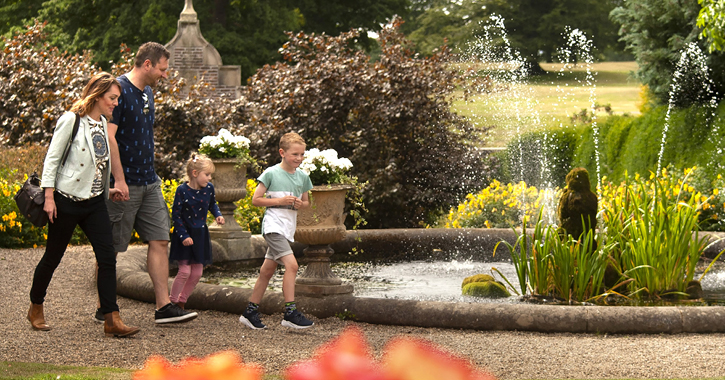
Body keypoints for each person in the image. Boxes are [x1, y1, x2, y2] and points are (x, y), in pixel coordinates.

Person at [30, 72, 140, 338]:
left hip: (95, 204)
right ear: (98, 95)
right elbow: (52, 160)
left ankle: (111, 319)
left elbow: (99, 166)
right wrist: (48, 197)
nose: (115, 103)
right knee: (52, 258)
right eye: (112, 98)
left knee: (107, 258)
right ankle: (36, 306)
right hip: (65, 202)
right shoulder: (71, 120)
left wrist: (108, 189)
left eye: (117, 99)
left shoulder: (103, 124)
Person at [104, 42, 197, 324]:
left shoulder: (148, 93)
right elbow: (110, 137)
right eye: (162, 69)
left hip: (150, 181)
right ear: (147, 64)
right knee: (109, 247)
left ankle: (163, 307)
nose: (165, 75)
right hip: (124, 184)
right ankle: (104, 307)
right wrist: (118, 179)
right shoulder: (117, 90)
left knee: (160, 240)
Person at [239, 132, 315, 330]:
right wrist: (280, 201)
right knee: (292, 266)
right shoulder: (271, 173)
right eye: (294, 154)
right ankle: (290, 313)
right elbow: (256, 200)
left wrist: (301, 204)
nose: (299, 158)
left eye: (301, 155)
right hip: (273, 227)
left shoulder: (303, 177)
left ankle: (250, 312)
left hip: (287, 228)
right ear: (282, 152)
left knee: (267, 271)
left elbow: (307, 203)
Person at [168, 154, 224, 309]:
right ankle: (171, 301)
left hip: (200, 235)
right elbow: (176, 216)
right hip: (184, 236)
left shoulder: (209, 189)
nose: (209, 178)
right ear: (194, 173)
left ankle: (182, 301)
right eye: (207, 175)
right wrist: (183, 235)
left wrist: (218, 215)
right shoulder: (182, 190)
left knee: (197, 273)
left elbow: (212, 204)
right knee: (184, 271)